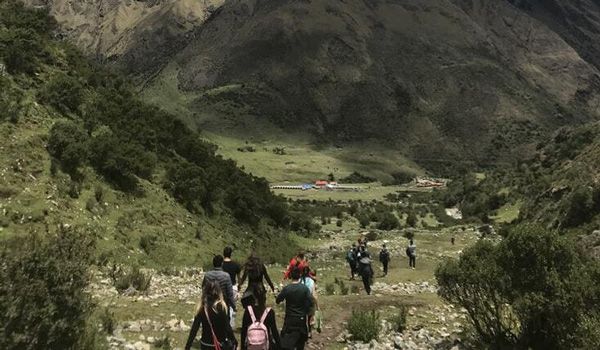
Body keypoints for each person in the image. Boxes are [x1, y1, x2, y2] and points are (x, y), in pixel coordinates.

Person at [185, 279, 237, 350]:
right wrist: (234, 340)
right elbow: (227, 327)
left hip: (205, 344)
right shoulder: (222, 307)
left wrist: (188, 346)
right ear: (219, 292)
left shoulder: (202, 307)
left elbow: (194, 329)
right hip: (219, 344)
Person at [277, 267, 313, 350]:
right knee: (300, 343)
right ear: (299, 276)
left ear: (291, 276)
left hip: (290, 318)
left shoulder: (287, 288)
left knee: (287, 343)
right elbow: (311, 302)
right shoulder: (304, 288)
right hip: (301, 318)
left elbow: (278, 300)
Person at [241, 283, 281, 350]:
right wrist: (279, 346)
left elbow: (243, 332)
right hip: (265, 346)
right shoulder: (269, 312)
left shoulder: (248, 311)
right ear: (265, 296)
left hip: (251, 346)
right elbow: (274, 332)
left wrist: (242, 347)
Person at [222, 246, 242, 328]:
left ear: (223, 254)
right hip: (233, 287)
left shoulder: (221, 264)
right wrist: (239, 287)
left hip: (222, 288)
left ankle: (223, 326)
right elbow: (239, 278)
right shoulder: (236, 265)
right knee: (231, 308)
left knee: (223, 307)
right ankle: (231, 326)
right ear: (231, 254)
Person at [301, 266, 318, 338]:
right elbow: (314, 293)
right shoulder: (311, 281)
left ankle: (303, 332)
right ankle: (310, 332)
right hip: (310, 301)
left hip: (302, 301)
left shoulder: (300, 280)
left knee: (303, 318)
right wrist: (317, 305)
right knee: (310, 318)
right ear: (309, 272)